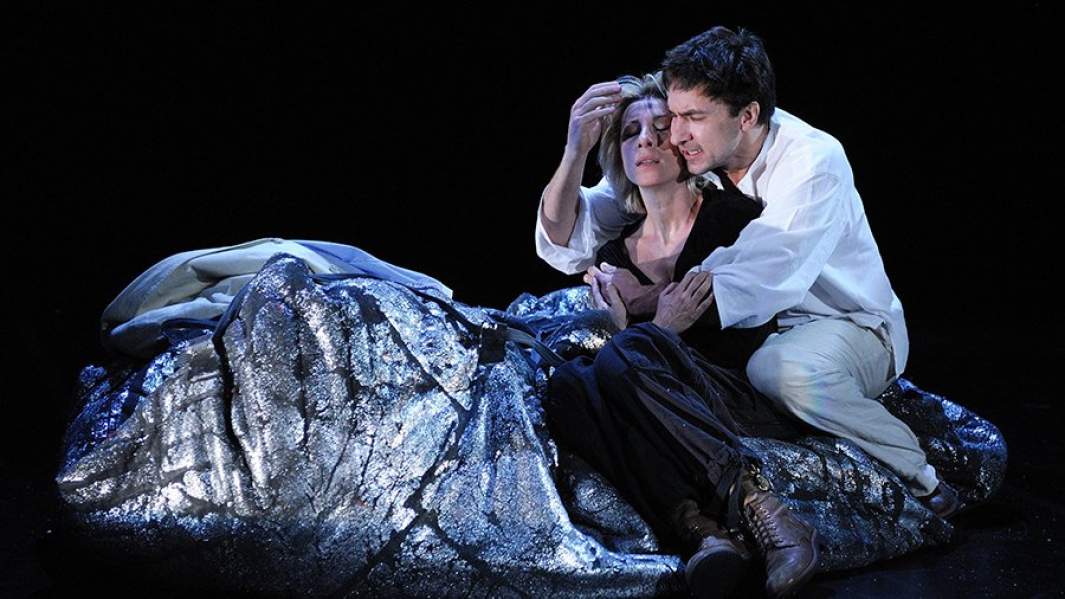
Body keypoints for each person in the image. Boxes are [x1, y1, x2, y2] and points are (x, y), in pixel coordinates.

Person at [535, 26, 960, 529]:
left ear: (748, 115)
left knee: (779, 371)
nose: (675, 135)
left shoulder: (811, 161)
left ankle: (922, 477)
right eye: (675, 116)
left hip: (848, 323)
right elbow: (572, 235)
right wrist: (575, 151)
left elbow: (763, 273)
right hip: (757, 330)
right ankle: (697, 525)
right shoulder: (699, 151)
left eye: (692, 118)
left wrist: (646, 303)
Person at [540, 73, 820, 599]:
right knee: (568, 385)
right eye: (630, 133)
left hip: (735, 393)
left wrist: (650, 331)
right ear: (619, 156)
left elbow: (746, 324)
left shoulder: (732, 217)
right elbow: (558, 235)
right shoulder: (614, 254)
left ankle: (759, 504)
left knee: (628, 350)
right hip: (661, 403)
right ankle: (701, 528)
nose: (645, 140)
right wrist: (635, 330)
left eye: (661, 128)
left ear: (687, 144)